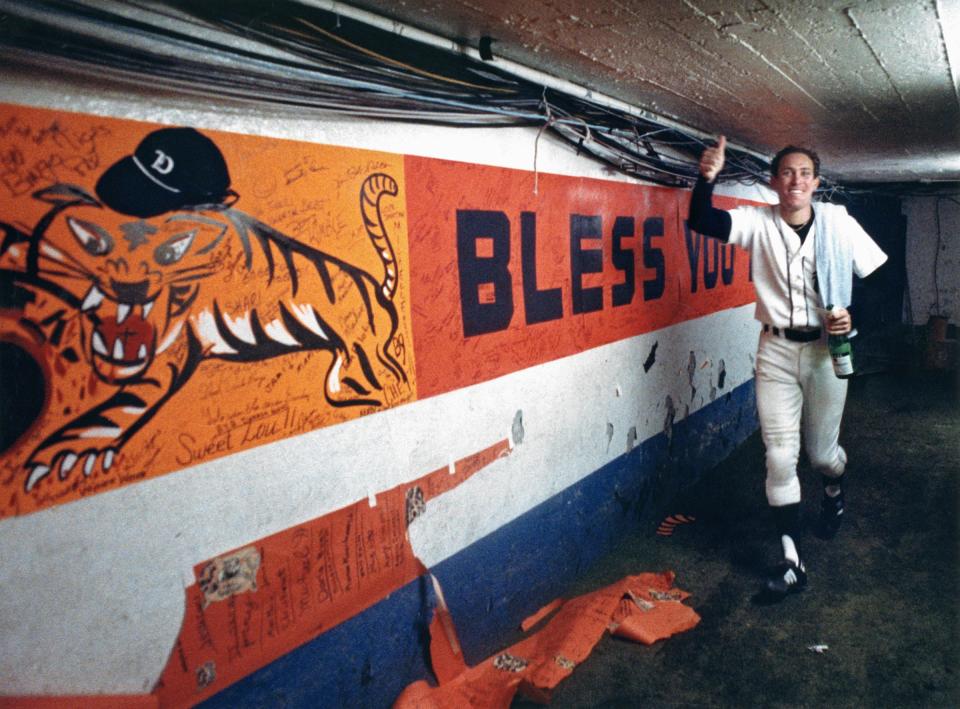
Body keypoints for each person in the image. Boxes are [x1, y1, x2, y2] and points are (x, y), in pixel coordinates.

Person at [688, 136, 887, 601]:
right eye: (786, 173)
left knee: (821, 457)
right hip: (775, 350)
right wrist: (706, 178)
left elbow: (877, 276)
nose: (795, 180)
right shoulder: (757, 222)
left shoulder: (838, 223)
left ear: (816, 182)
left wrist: (858, 316)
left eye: (804, 173)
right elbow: (701, 220)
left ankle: (834, 491)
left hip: (825, 351)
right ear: (773, 182)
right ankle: (792, 560)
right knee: (779, 456)